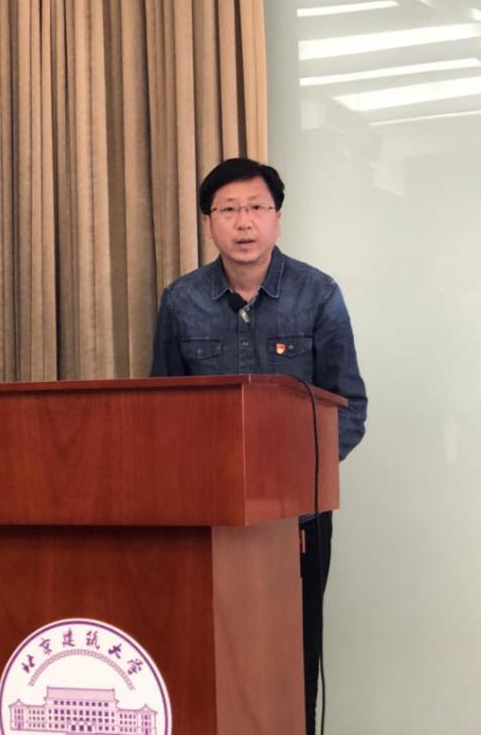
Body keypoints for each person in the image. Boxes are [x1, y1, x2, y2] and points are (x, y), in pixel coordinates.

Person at [149, 157, 367, 735]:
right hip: (208, 513)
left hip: (297, 515)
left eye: (255, 208)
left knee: (295, 648)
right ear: (208, 222)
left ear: (276, 218)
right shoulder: (181, 301)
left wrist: (294, 482)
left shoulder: (318, 294)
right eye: (228, 210)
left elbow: (348, 408)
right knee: (212, 647)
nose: (243, 222)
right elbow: (162, 411)